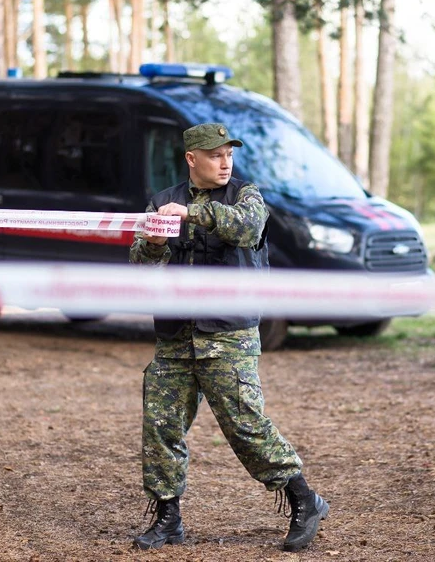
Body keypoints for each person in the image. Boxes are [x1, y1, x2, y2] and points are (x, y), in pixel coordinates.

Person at [128, 122, 329, 552]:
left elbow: (247, 229)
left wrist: (193, 214)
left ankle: (304, 500)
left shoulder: (245, 195)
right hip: (175, 335)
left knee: (245, 426)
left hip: (228, 335)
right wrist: (154, 243)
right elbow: (142, 267)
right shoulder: (162, 202)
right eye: (215, 155)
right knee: (160, 427)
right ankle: (167, 519)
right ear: (191, 159)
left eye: (229, 154)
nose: (225, 162)